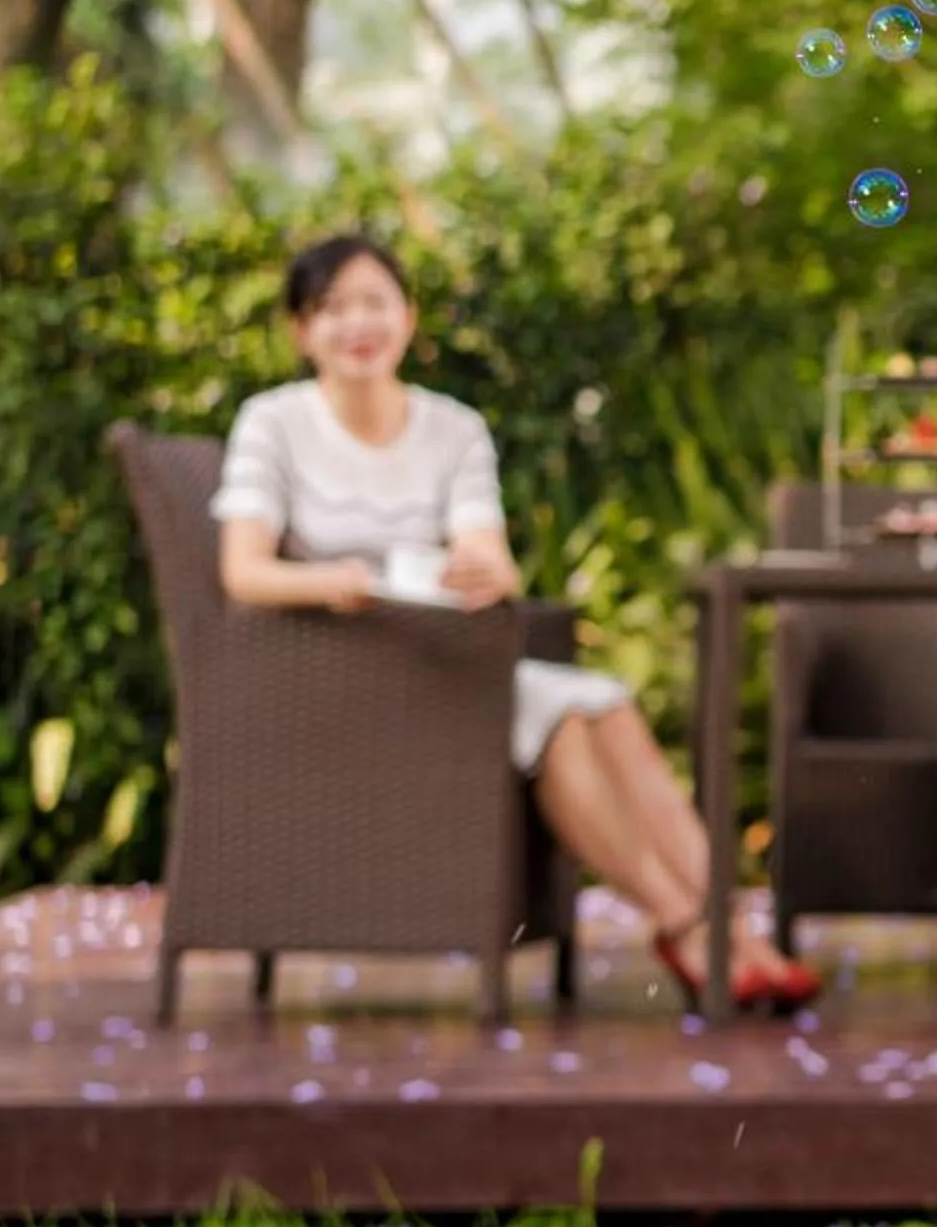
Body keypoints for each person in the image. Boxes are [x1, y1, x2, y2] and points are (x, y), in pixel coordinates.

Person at [210, 234, 823, 1018]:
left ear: (409, 318)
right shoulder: (273, 423)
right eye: (331, 308)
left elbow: (489, 559)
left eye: (374, 302)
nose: (356, 323)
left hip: (443, 657)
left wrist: (485, 573)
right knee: (560, 717)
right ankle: (689, 927)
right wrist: (336, 583)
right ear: (300, 331)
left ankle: (726, 933)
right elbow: (243, 573)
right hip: (336, 674)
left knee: (604, 703)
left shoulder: (453, 428)